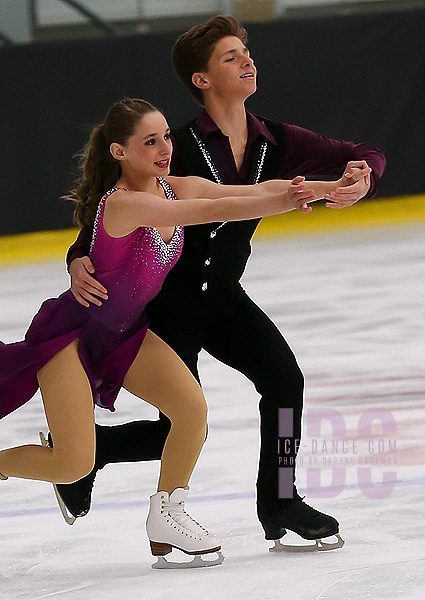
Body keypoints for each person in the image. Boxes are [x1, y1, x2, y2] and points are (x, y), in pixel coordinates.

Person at [0, 97, 367, 566]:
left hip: (125, 335)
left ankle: (167, 515)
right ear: (119, 151)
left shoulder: (171, 188)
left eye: (165, 137)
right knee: (73, 463)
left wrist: (329, 188)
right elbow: (219, 210)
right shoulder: (124, 204)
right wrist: (290, 200)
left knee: (191, 411)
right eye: (150, 142)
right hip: (74, 338)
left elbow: (244, 191)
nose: (164, 148)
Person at [62, 16, 386, 551]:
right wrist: (77, 258)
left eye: (246, 52)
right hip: (168, 308)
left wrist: (361, 179)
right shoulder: (176, 146)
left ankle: (279, 500)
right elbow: (108, 217)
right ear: (202, 79)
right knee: (180, 426)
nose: (247, 61)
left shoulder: (275, 140)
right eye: (231, 57)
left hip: (224, 297)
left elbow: (362, 153)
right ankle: (86, 452)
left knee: (285, 382)